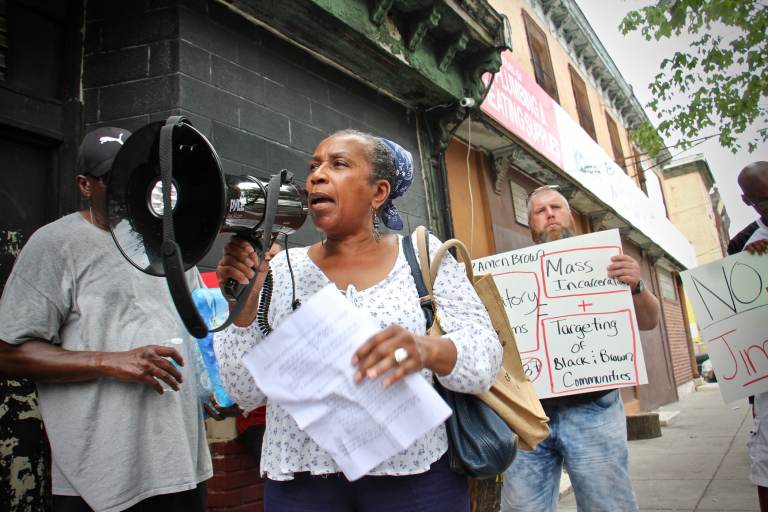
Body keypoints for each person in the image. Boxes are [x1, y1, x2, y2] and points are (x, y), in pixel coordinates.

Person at [213, 129, 502, 511]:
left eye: (338, 164)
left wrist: (427, 349)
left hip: (415, 479)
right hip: (303, 483)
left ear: (378, 193)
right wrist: (244, 309)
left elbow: (485, 359)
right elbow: (242, 392)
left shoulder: (421, 255)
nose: (316, 175)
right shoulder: (279, 268)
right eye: (313, 166)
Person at [0, 127, 212, 512]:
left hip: (182, 468)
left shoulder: (170, 245)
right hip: (99, 481)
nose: (129, 186)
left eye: (138, 175)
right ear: (85, 185)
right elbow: (8, 352)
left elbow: (204, 331)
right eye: (113, 178)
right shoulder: (56, 244)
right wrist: (111, 361)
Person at [501, 185, 660, 512]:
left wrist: (638, 285)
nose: (549, 214)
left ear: (570, 215)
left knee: (608, 507)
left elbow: (649, 321)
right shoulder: (509, 273)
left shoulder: (607, 262)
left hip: (594, 412)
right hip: (530, 417)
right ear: (530, 224)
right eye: (539, 211)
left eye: (555, 207)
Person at [734, 162, 768, 511]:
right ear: (748, 201)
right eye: (763, 202)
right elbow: (733, 318)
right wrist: (746, 272)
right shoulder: (742, 244)